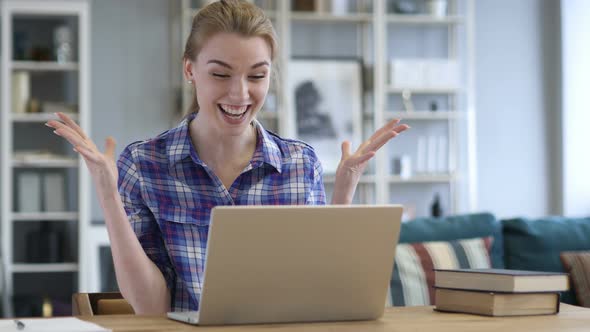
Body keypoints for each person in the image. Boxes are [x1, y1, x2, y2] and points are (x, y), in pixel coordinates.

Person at [45, 0, 409, 314]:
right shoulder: (144, 165)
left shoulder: (300, 164)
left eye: (257, 75)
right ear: (190, 70)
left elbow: (316, 293)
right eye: (220, 74)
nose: (240, 94)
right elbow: (152, 308)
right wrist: (109, 197)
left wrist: (343, 195)